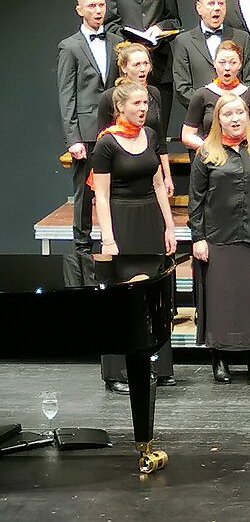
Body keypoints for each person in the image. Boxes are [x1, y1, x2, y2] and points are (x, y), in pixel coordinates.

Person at [189, 93, 250, 383]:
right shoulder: (206, 153)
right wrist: (198, 238)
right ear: (218, 119)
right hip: (219, 238)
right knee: (222, 302)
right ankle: (220, 358)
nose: (235, 119)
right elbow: (196, 200)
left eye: (240, 113)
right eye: (228, 114)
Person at [92, 82, 178, 393]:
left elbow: (158, 186)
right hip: (122, 219)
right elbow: (100, 196)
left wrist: (169, 227)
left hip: (150, 220)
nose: (143, 109)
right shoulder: (106, 144)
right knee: (122, 296)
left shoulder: (151, 136)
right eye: (137, 104)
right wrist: (109, 239)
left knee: (153, 293)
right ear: (120, 109)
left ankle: (158, 364)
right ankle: (118, 372)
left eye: (145, 103)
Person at [58, 0, 123, 265]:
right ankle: (82, 246)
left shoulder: (116, 41)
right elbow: (66, 94)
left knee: (117, 187)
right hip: (85, 131)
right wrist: (72, 137)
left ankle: (116, 238)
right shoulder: (70, 46)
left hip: (114, 128)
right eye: (92, 6)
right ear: (80, 9)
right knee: (84, 192)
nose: (98, 11)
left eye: (101, 6)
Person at [99, 0, 181, 128]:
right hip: (127, 68)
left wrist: (159, 29)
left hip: (160, 67)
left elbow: (174, 19)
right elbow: (109, 24)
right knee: (127, 129)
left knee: (158, 131)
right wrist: (135, 42)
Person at [99, 43, 173, 197]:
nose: (143, 69)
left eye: (146, 63)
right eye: (137, 64)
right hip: (123, 171)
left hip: (151, 168)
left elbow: (160, 141)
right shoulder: (110, 96)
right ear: (124, 68)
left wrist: (167, 176)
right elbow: (102, 142)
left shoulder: (154, 93)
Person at [172, 0, 250, 108]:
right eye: (211, 3)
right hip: (201, 118)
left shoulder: (242, 38)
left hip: (237, 115)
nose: (217, 8)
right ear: (199, 8)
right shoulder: (184, 41)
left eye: (221, 3)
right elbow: (182, 88)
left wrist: (232, 106)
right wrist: (210, 107)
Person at [181, 41, 250, 150]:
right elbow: (187, 135)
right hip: (212, 158)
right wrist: (208, 148)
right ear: (214, 63)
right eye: (222, 62)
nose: (227, 67)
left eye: (233, 62)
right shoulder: (202, 95)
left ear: (240, 64)